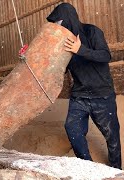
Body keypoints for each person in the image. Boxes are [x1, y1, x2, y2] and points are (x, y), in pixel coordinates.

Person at [46, 3, 121, 169]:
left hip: (102, 95)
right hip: (79, 96)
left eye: (59, 22)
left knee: (112, 137)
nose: (58, 27)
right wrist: (29, 56)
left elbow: (105, 55)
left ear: (69, 19)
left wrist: (80, 49)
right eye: (55, 24)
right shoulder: (62, 44)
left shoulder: (92, 31)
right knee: (72, 129)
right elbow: (58, 69)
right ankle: (89, 168)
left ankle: (116, 170)